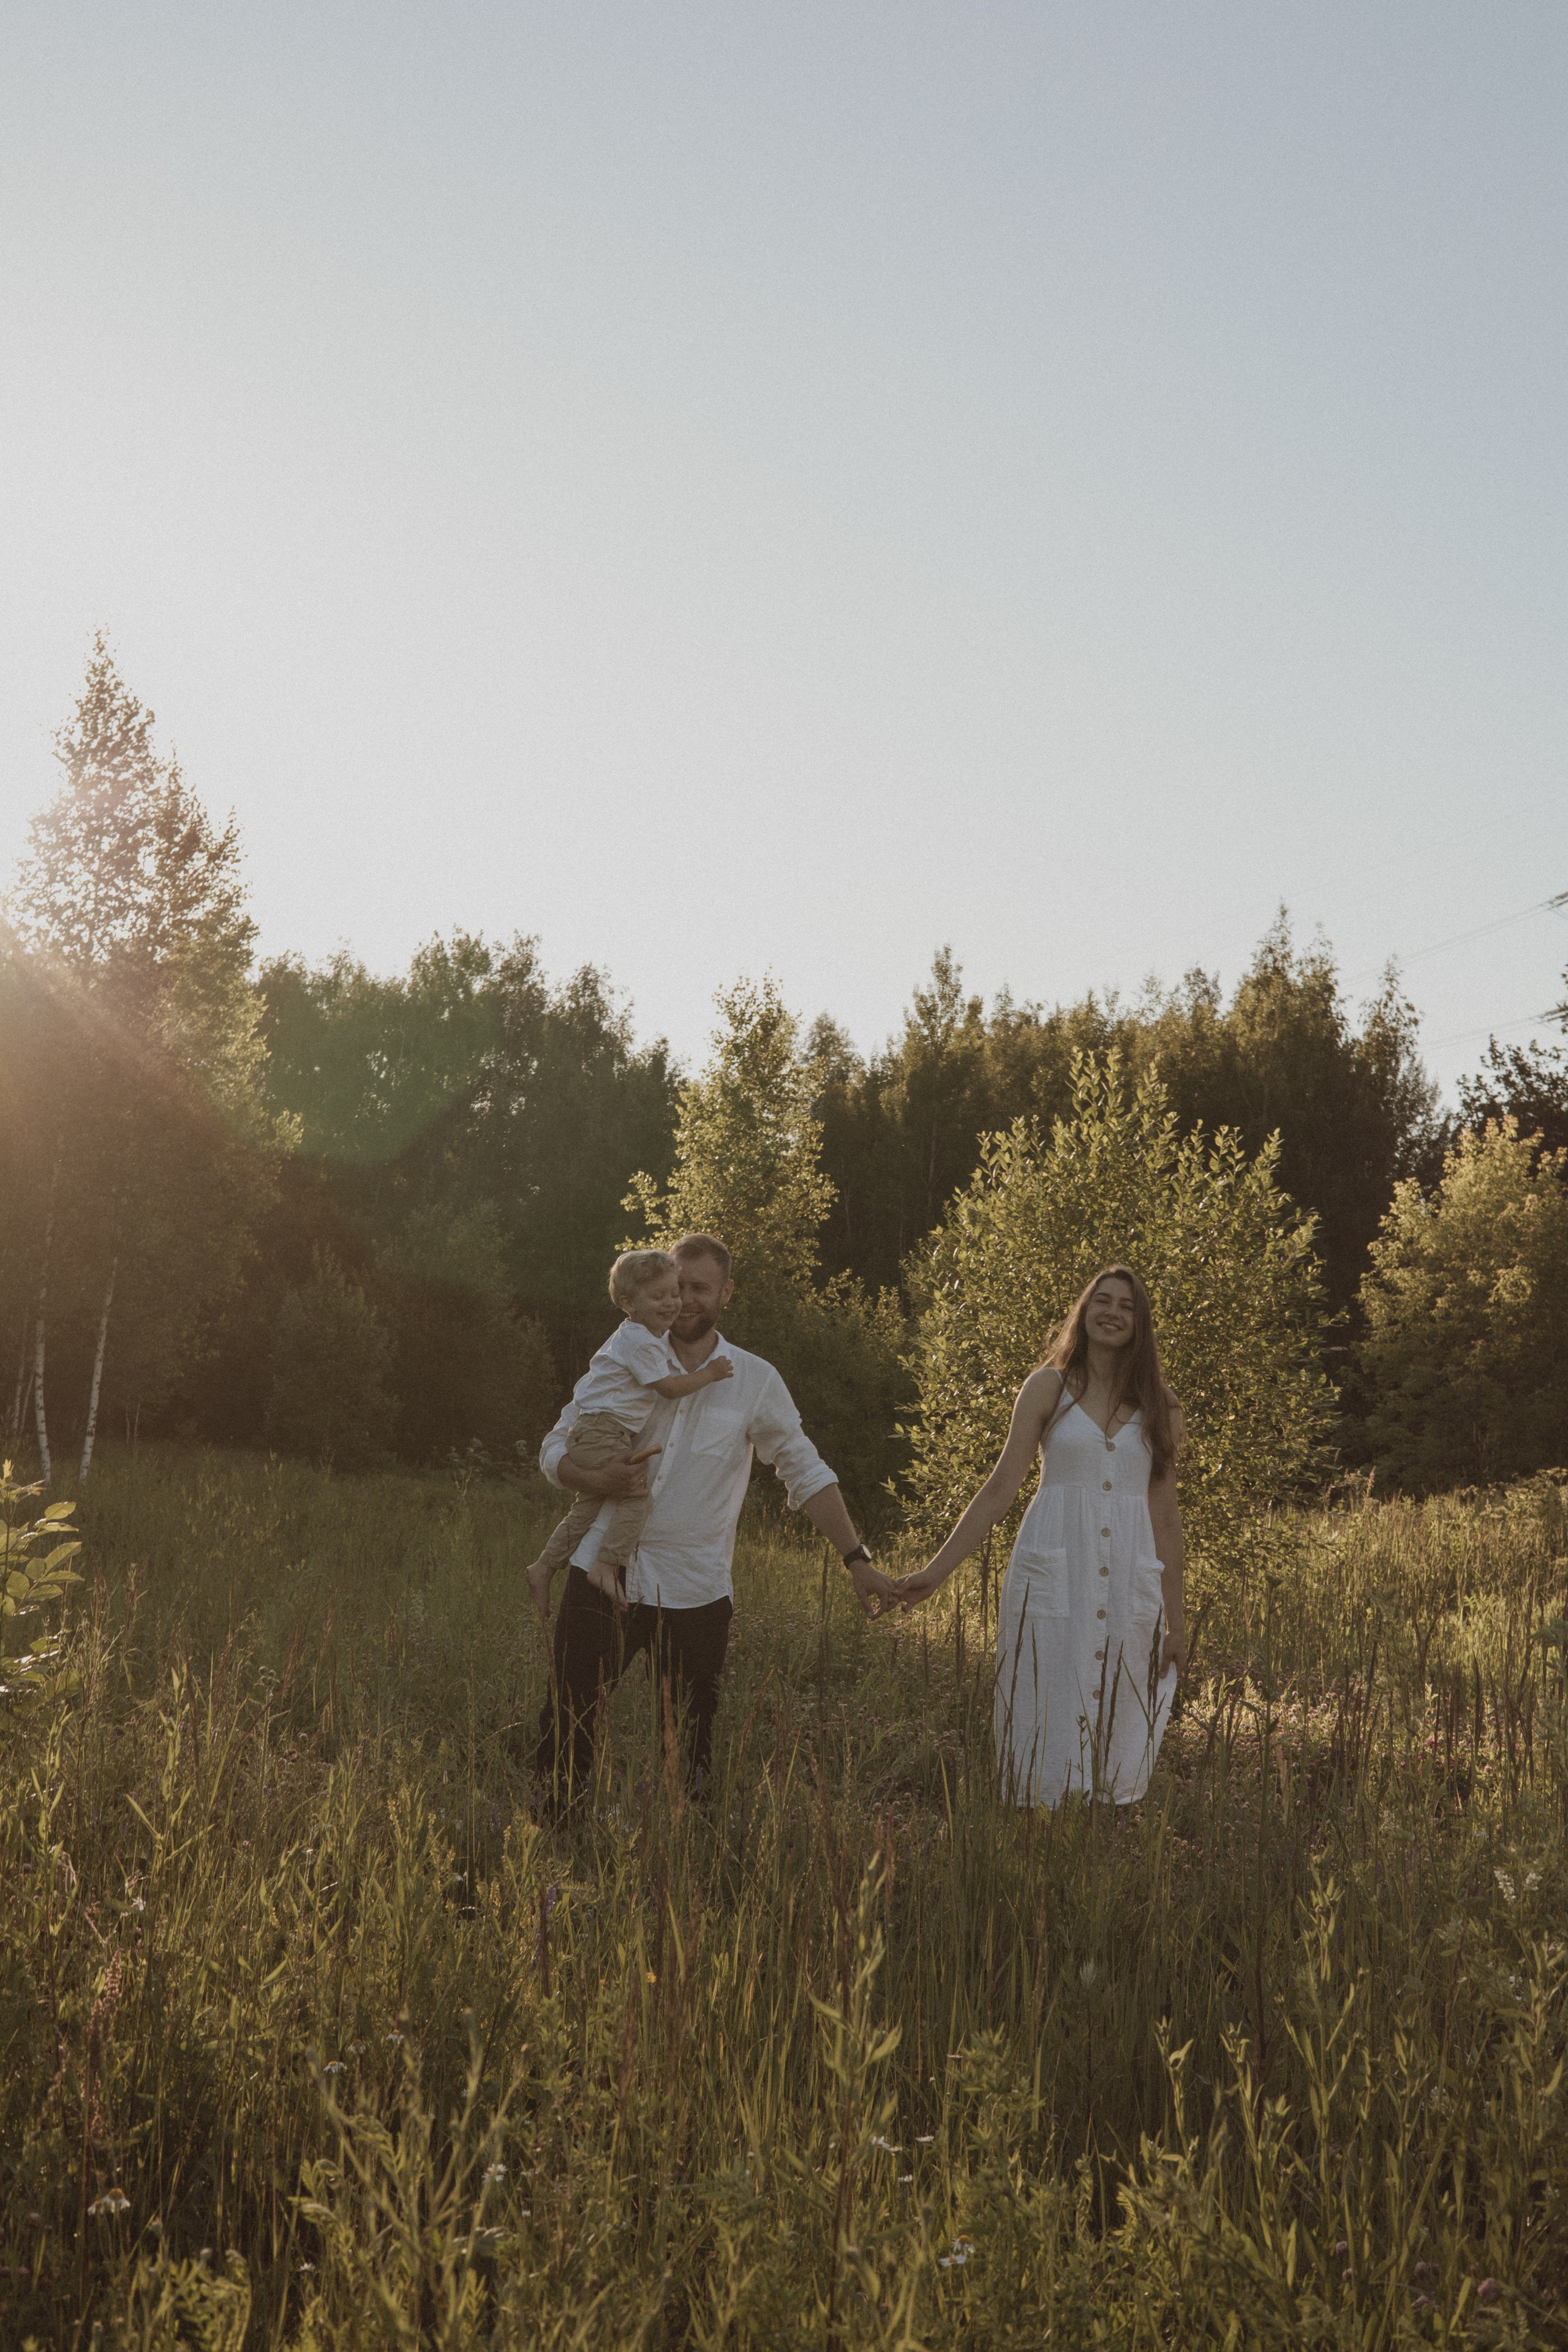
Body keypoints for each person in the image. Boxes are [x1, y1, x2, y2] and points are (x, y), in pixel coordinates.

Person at [531, 1231, 897, 1806]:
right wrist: (593, 1479)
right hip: (604, 1570)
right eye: (675, 1287)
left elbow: (804, 1470)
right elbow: (556, 1445)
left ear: (726, 1293)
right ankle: (556, 1839)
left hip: (696, 1588)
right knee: (567, 1726)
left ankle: (682, 1854)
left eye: (699, 1289)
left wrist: (857, 1558)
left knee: (690, 1745)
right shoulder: (625, 1354)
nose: (684, 1300)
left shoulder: (755, 1380)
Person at [895, 1265, 1187, 1807]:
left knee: (1122, 1705)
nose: (1113, 1313)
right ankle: (1034, 1837)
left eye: (1127, 1306)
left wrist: (1177, 1619)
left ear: (1141, 1323)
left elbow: (1166, 1516)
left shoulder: (1163, 1407)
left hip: (1129, 1571)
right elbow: (1000, 1487)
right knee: (1044, 1695)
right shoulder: (1048, 1387)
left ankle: (1105, 1839)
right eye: (1102, 1301)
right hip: (1056, 1562)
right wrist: (935, 1572)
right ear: (1084, 1310)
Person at [524, 1249, 734, 1621]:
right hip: (603, 1432)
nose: (673, 1303)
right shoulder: (640, 1341)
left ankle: (544, 1566)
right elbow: (669, 1389)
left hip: (597, 1432)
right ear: (628, 1303)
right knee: (637, 1497)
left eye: (674, 1294)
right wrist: (710, 1374)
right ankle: (606, 1565)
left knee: (586, 1511)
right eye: (658, 1297)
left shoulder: (636, 1337)